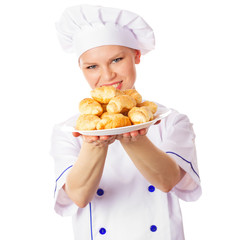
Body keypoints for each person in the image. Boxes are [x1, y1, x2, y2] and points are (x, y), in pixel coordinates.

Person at [50, 4, 201, 240]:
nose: (108, 76)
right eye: (92, 66)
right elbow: (78, 196)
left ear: (136, 56)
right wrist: (95, 143)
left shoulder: (170, 121)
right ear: (81, 69)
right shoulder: (71, 130)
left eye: (116, 60)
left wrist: (133, 137)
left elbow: (167, 181)